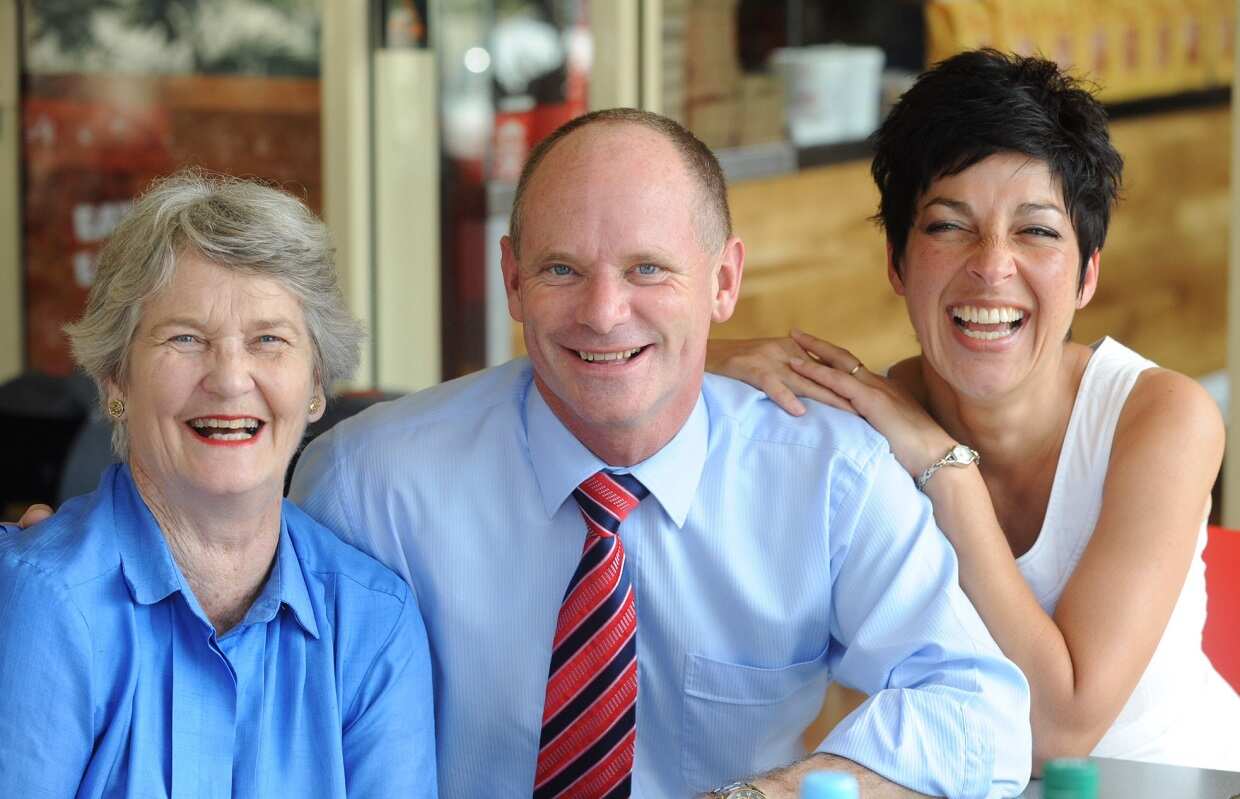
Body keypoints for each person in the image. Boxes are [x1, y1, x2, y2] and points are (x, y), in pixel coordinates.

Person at [290, 108, 1032, 799]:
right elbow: (288, 736)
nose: (605, 313)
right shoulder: (370, 484)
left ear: (724, 281)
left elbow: (978, 711)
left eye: (648, 269)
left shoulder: (828, 477)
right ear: (512, 279)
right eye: (561, 270)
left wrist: (763, 796)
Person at [707, 49, 1240, 772]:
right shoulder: (864, 422)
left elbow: (1059, 729)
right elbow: (611, 357)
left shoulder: (1159, 417)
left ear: (1087, 274)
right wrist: (723, 352)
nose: (991, 265)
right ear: (897, 262)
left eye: (1037, 230)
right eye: (949, 225)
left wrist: (945, 471)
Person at [0, 171, 437, 797]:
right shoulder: (45, 601)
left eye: (268, 340)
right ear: (116, 380)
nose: (231, 379)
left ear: (316, 386)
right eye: (186, 338)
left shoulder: (372, 622)